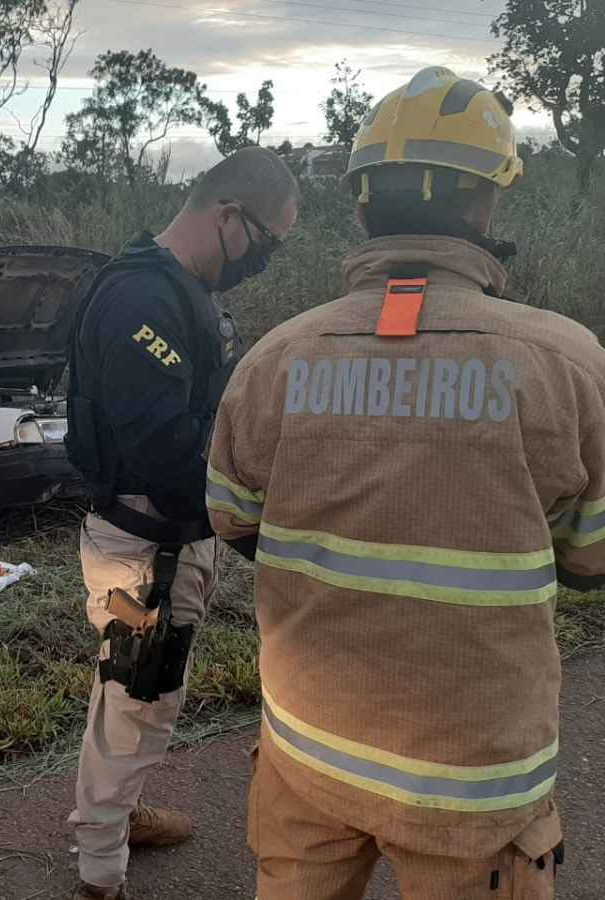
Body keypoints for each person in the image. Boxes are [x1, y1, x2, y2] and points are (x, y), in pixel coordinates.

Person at [207, 65, 605, 899]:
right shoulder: (568, 365)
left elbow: (235, 523)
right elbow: (591, 556)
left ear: (360, 203)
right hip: (476, 790)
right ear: (487, 203)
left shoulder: (274, 360)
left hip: (307, 755)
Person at [64, 146, 300, 900]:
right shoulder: (144, 301)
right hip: (143, 550)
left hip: (168, 540)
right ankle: (101, 866)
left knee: (142, 695)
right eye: (263, 244)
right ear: (227, 214)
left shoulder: (181, 291)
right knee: (135, 693)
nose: (261, 262)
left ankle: (118, 813)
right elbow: (164, 455)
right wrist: (249, 514)